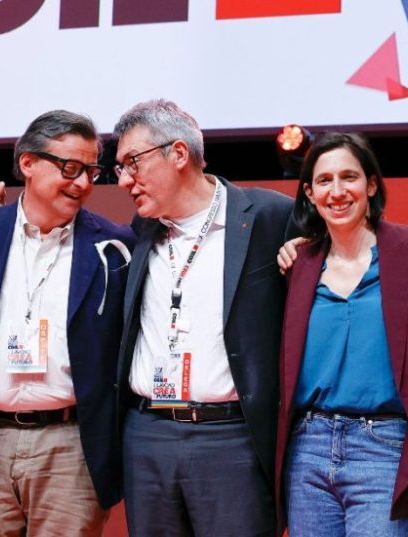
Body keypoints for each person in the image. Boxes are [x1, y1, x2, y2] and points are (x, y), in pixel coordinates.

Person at [0, 110, 134, 535]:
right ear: (28, 163)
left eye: (91, 171)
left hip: (71, 443)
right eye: (70, 168)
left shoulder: (115, 244)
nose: (82, 183)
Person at [113, 99, 292, 536]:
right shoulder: (140, 231)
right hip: (148, 434)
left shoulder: (269, 217)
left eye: (132, 163)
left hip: (231, 437)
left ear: (178, 153)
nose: (123, 180)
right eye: (119, 168)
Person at [275, 132, 408, 536]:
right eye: (324, 181)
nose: (337, 191)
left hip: (383, 446)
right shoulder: (298, 264)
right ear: (310, 194)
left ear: (370, 185)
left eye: (349, 177)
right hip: (308, 448)